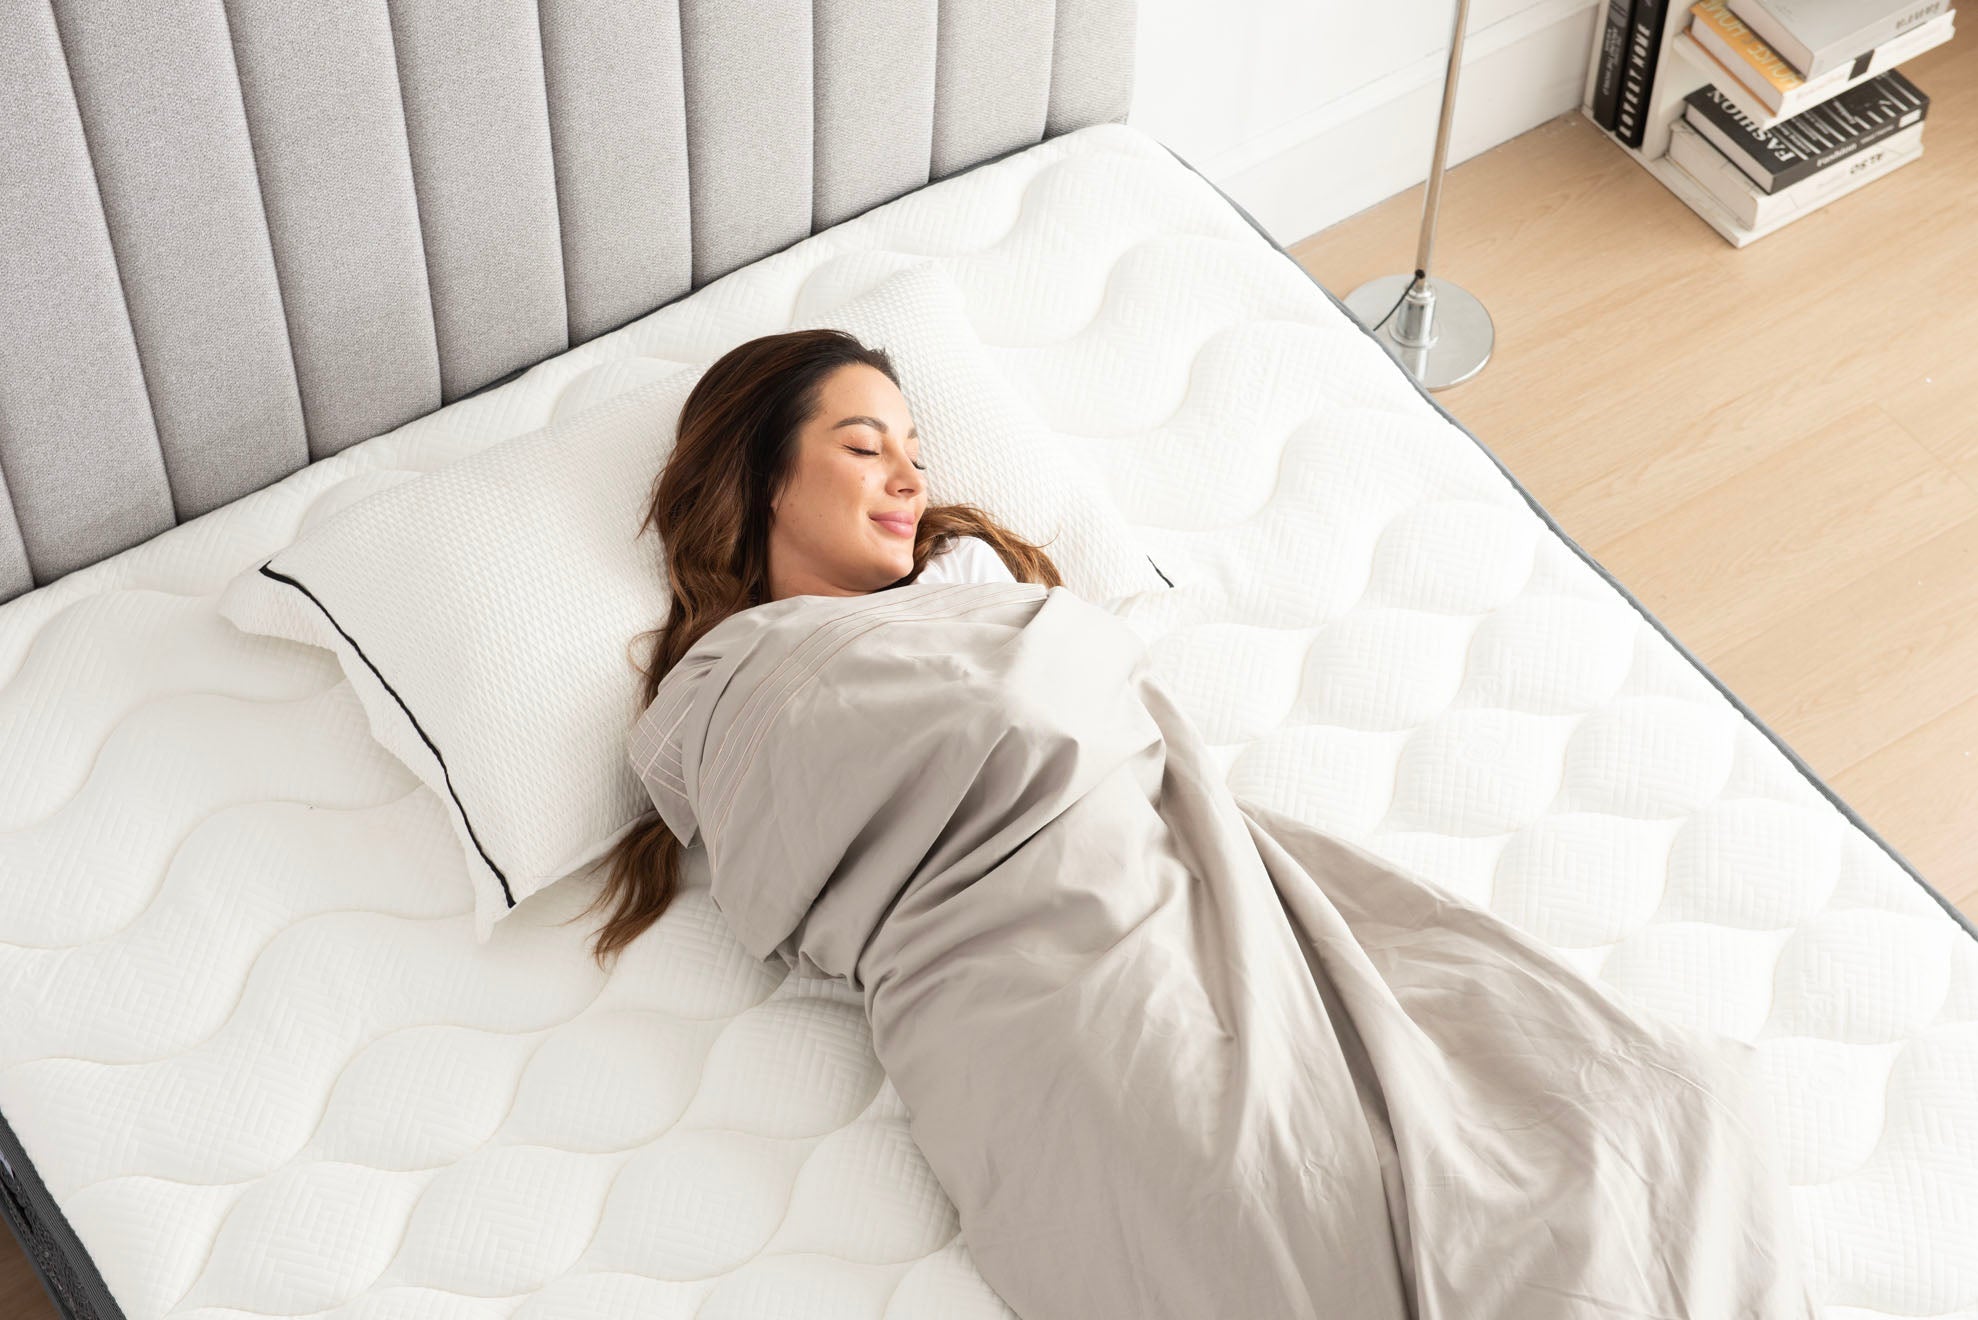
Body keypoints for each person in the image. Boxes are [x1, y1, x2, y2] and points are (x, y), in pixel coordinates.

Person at [579, 328, 1054, 968]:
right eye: (864, 448)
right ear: (765, 477)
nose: (911, 483)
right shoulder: (719, 683)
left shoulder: (962, 575)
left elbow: (1047, 723)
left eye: (916, 460)